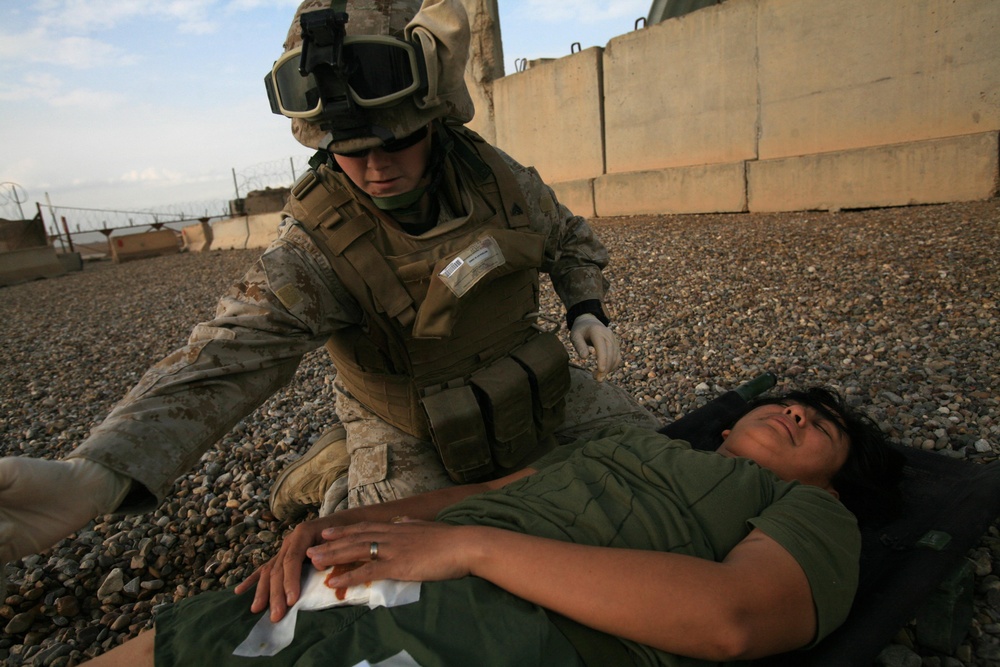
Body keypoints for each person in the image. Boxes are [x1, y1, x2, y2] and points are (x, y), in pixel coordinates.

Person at [0, 0, 657, 577]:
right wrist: (96, 474)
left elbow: (567, 238)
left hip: (537, 384)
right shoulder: (315, 245)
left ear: (434, 117)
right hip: (413, 431)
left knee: (661, 470)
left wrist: (585, 306)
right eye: (349, 149)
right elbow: (220, 359)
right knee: (391, 576)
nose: (374, 167)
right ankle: (336, 468)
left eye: (395, 140)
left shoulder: (494, 175)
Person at [83, 387, 905, 667]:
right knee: (185, 638)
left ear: (839, 480)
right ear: (725, 427)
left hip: (505, 626)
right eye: (792, 401)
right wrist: (318, 529)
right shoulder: (630, 442)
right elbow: (472, 493)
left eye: (825, 424)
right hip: (390, 565)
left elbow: (731, 617)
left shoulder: (811, 513)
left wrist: (472, 548)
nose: (800, 409)